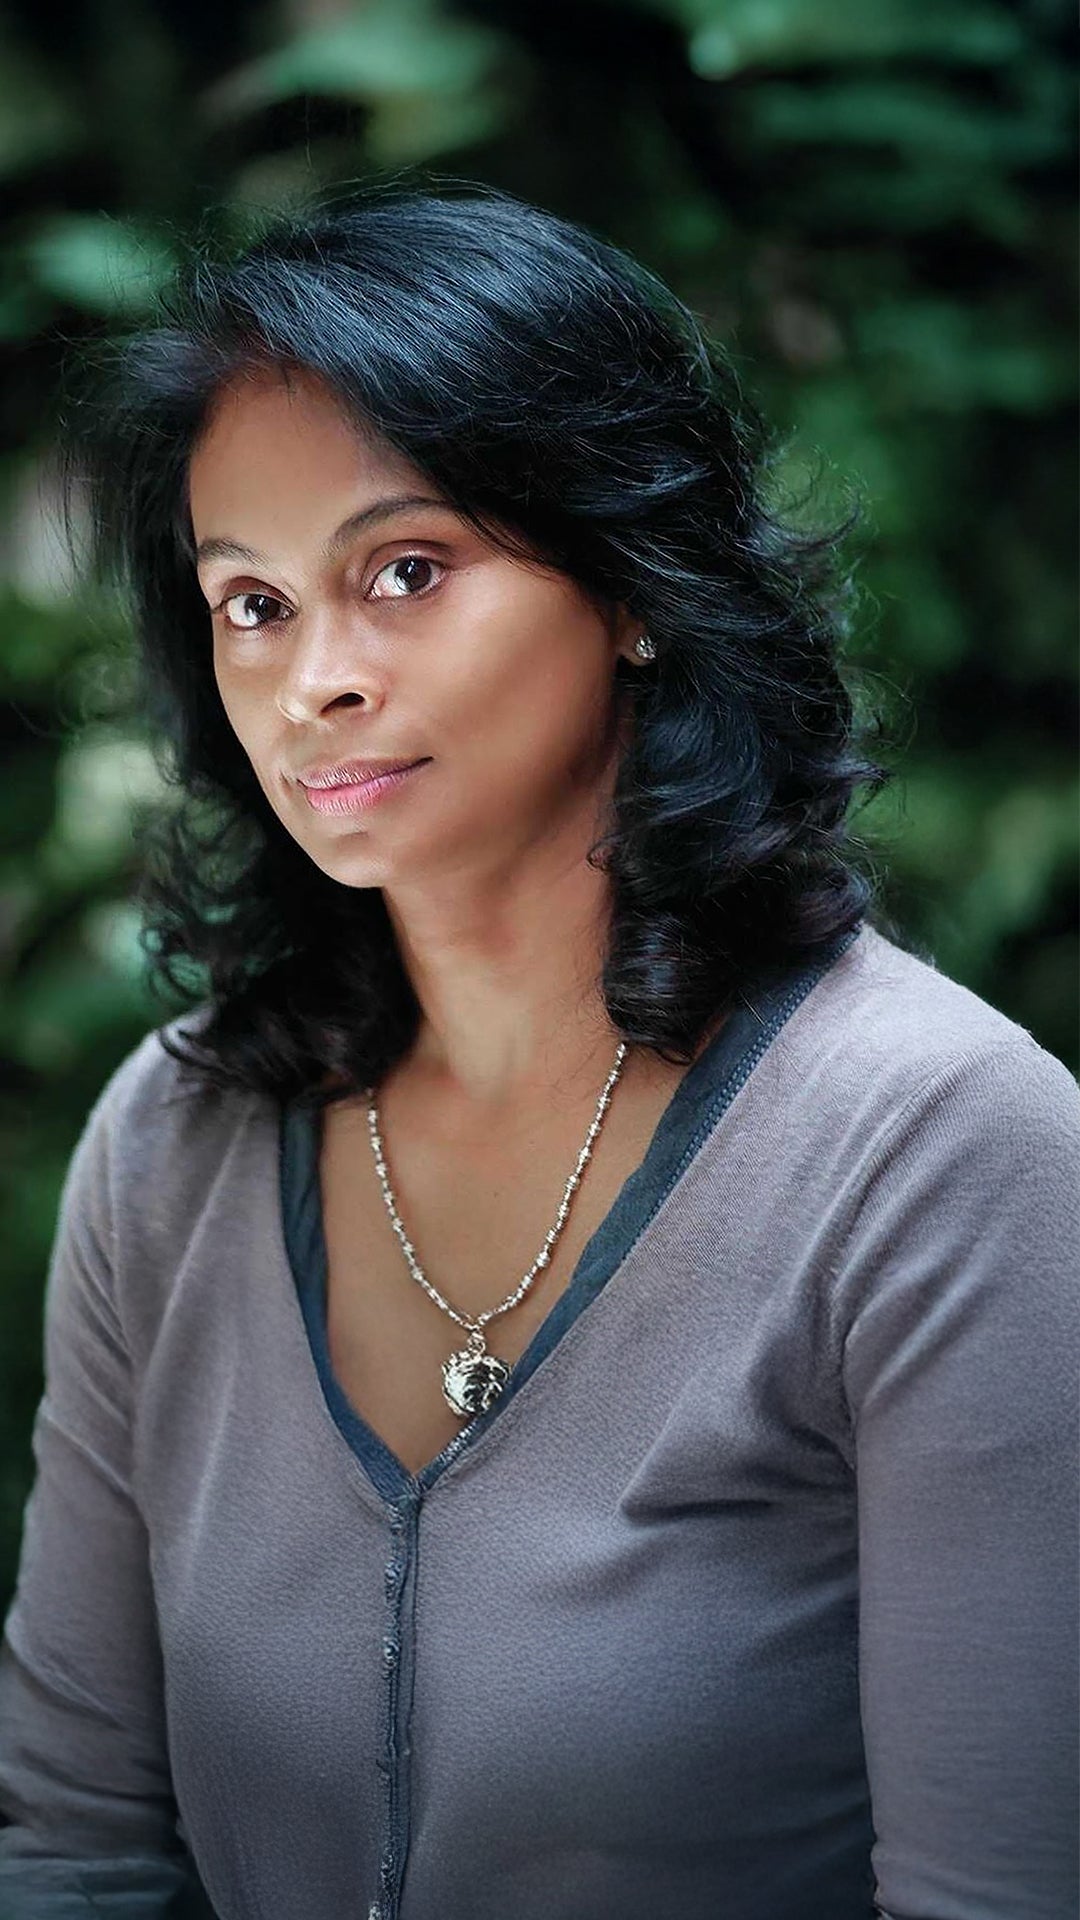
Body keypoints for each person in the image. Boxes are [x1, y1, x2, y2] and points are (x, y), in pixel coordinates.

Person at [0, 182, 1076, 1920]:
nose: (311, 681)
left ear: (635, 588)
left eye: (405, 570)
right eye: (252, 603)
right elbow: (71, 1849)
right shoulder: (170, 1144)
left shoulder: (943, 1153)